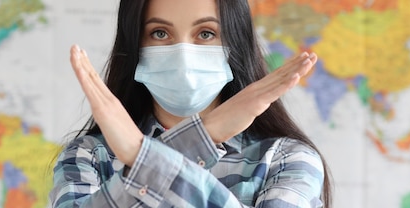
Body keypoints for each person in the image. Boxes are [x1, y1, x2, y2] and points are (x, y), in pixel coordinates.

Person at [49, 0, 332, 207]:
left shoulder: (285, 160)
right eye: (159, 33)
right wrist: (205, 135)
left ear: (236, 44)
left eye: (206, 34)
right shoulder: (88, 156)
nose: (183, 54)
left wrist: (140, 157)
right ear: (134, 47)